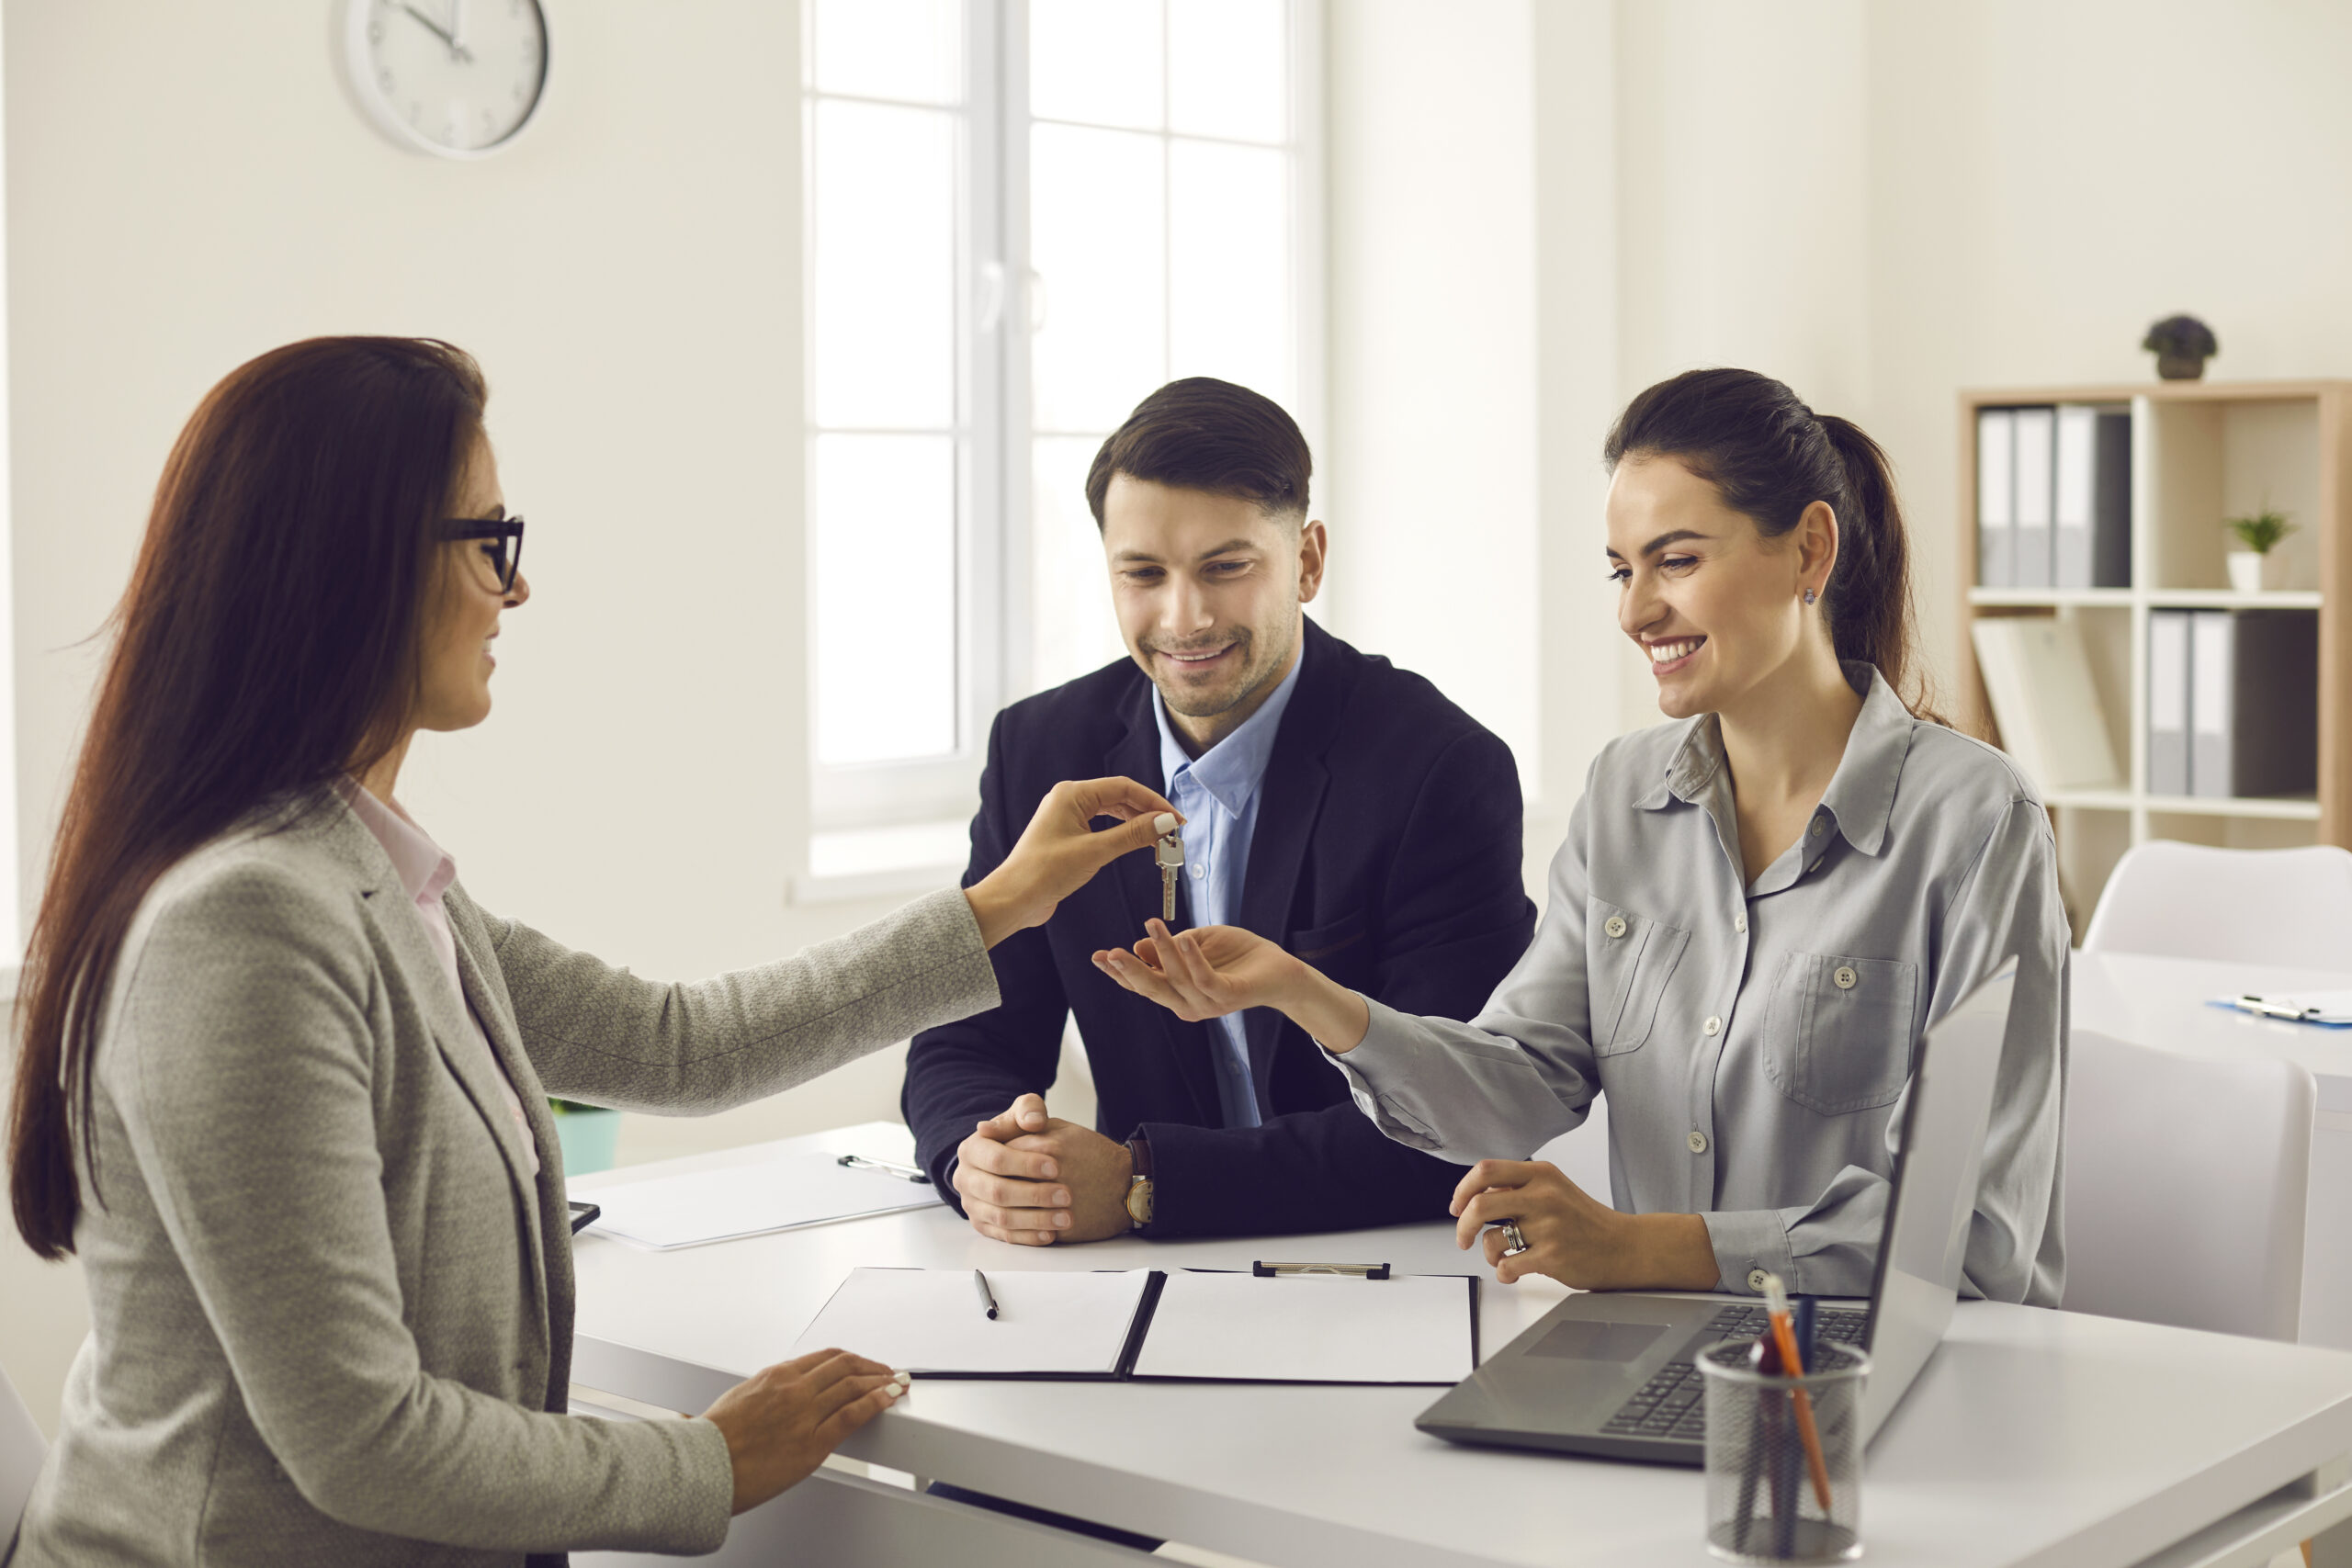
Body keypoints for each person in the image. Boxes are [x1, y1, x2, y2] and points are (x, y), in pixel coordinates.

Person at [3, 336, 1176, 1568]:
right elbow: (361, 1439)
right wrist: (709, 1460)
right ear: (360, 567)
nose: (517, 591)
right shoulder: (244, 921)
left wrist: (1001, 902)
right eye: (490, 542)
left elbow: (681, 1044)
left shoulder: (376, 876)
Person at [1100, 367, 2067, 1306]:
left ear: (1810, 550)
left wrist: (1636, 1247)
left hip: (1896, 1382)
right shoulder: (1625, 795)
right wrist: (1301, 993)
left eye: (1677, 561)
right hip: (1665, 1359)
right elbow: (1513, 1088)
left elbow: (1974, 1234)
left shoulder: (1972, 820)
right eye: (1621, 568)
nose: (1635, 610)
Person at [901, 377, 1536, 1246]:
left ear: (1307, 561)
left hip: (1375, 1268)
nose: (1184, 617)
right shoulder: (1041, 751)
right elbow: (963, 1042)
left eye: (1225, 567)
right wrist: (981, 1161)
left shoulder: (1439, 768)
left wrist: (1143, 1186)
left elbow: (1456, 1125)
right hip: (1125, 1278)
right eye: (1144, 574)